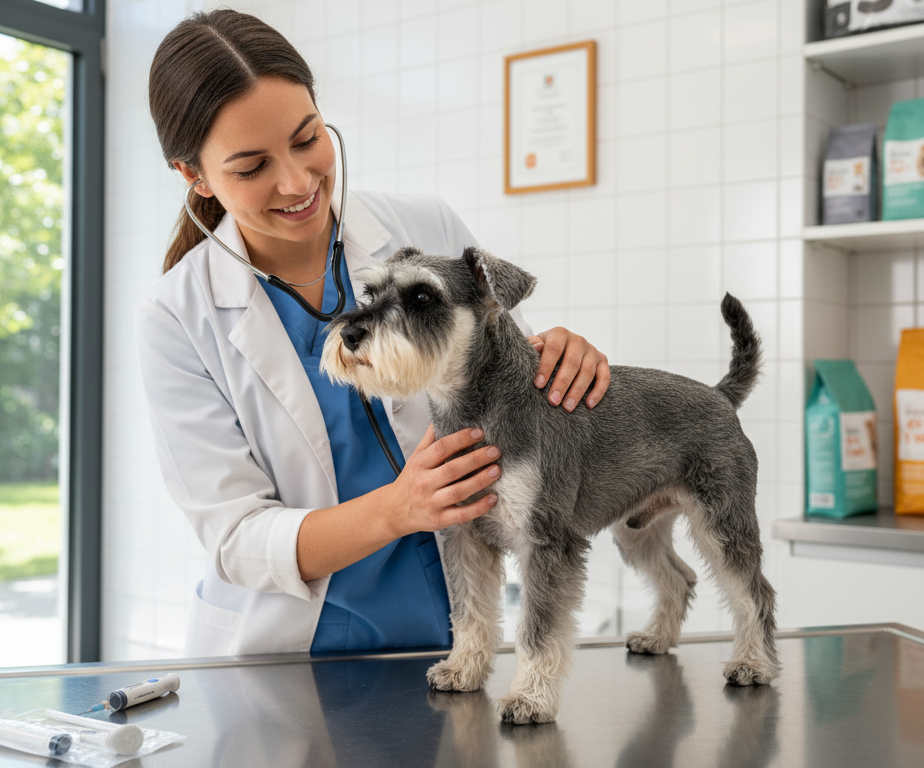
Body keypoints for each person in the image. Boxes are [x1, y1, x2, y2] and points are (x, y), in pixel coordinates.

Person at [136, 9, 611, 658]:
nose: (298, 183)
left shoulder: (426, 227)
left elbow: (513, 390)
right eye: (251, 167)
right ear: (194, 176)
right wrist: (397, 509)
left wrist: (562, 361)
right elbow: (238, 539)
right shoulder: (176, 315)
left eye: (307, 139)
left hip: (456, 639)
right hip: (289, 662)